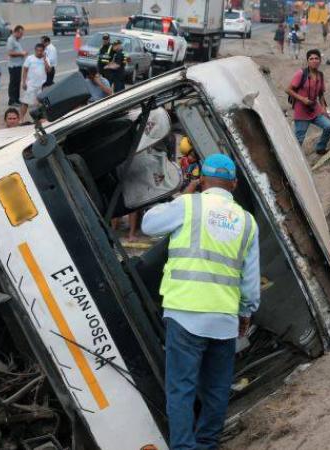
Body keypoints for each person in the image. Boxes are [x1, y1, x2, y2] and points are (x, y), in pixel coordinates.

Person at [141, 153, 260, 450]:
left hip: (185, 313)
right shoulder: (247, 222)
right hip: (223, 318)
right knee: (217, 389)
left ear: (203, 180)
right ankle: (207, 445)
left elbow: (148, 224)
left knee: (181, 388)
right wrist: (245, 313)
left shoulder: (189, 205)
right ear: (234, 184)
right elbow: (250, 279)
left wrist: (185, 192)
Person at [286, 49, 330, 155]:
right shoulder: (301, 73)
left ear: (320, 60)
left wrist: (324, 110)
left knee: (329, 127)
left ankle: (321, 148)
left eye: (316, 58)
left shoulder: (320, 75)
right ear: (307, 61)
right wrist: (302, 99)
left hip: (315, 109)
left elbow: (321, 94)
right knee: (299, 139)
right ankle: (294, 158)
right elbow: (288, 90)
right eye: (311, 59)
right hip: (301, 111)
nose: (314, 61)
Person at [20, 43, 51, 120]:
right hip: (30, 85)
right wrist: (23, 82)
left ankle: (40, 119)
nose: (39, 52)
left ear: (43, 51)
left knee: (41, 104)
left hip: (41, 86)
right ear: (35, 50)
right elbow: (25, 70)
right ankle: (21, 119)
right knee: (25, 102)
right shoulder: (30, 58)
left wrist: (45, 60)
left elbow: (49, 70)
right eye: (38, 51)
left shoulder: (46, 59)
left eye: (41, 51)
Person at [6, 25, 27, 106]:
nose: (21, 36)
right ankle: (12, 100)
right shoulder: (11, 40)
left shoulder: (16, 40)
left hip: (18, 65)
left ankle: (17, 99)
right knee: (13, 83)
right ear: (16, 32)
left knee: (17, 82)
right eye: (21, 34)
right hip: (13, 66)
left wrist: (22, 53)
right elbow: (10, 53)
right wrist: (21, 53)